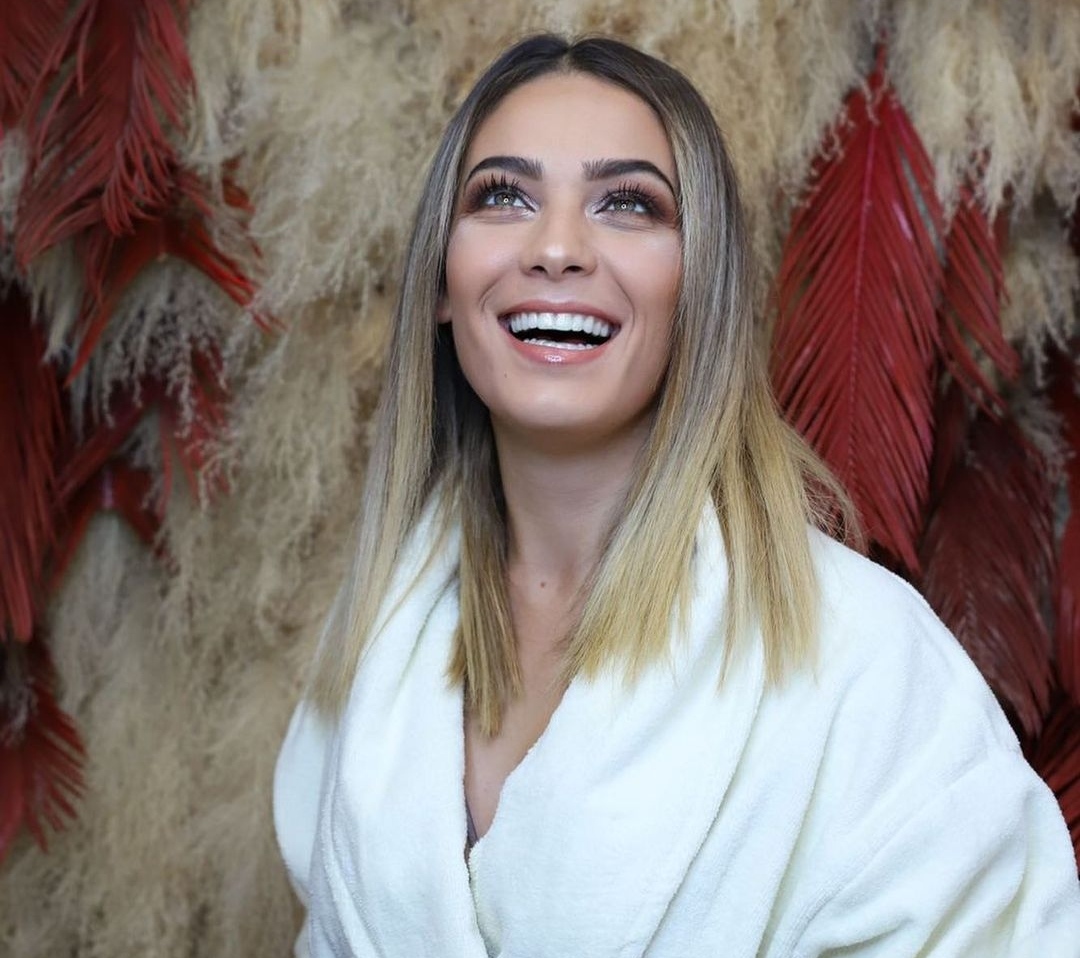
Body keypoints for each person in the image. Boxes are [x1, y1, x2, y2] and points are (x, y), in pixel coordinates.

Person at [273, 33, 1080, 957]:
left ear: (700, 286)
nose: (556, 247)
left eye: (628, 204)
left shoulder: (868, 662)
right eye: (503, 196)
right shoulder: (378, 637)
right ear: (442, 283)